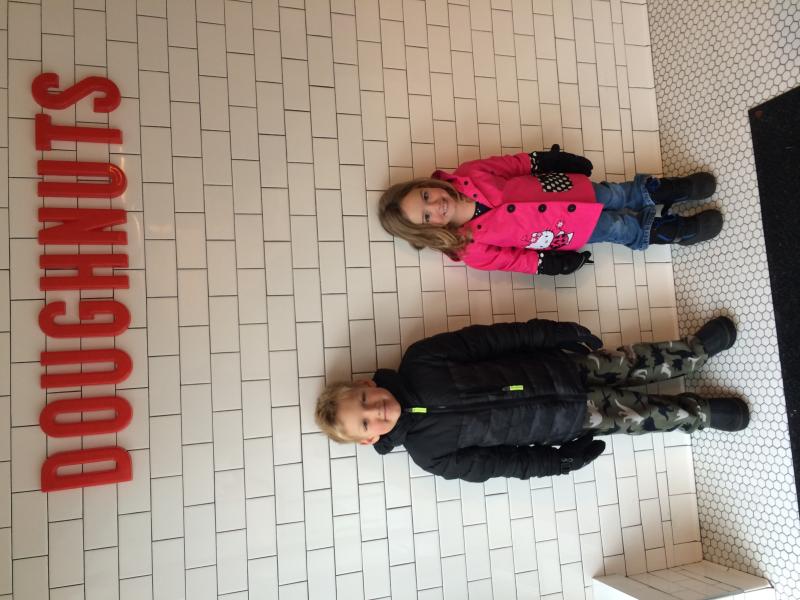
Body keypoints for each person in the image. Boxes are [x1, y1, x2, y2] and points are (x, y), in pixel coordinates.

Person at [315, 316, 748, 482]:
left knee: (634, 361)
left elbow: (494, 339)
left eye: (365, 399)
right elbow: (505, 464)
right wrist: (559, 462)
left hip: (561, 368)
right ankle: (700, 413)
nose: (375, 410)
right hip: (569, 420)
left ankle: (694, 352)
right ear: (369, 439)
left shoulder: (421, 359)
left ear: (366, 383)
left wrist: (554, 333)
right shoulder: (430, 455)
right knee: (644, 417)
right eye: (366, 422)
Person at [378, 146, 722, 275]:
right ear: (428, 230)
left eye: (426, 196)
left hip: (568, 188)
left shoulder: (469, 173)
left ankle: (672, 190)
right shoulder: (470, 249)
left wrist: (547, 160)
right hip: (566, 232)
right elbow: (514, 260)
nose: (435, 206)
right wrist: (547, 265)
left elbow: (513, 164)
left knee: (618, 193)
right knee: (618, 228)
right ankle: (673, 231)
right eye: (426, 216)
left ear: (427, 184)